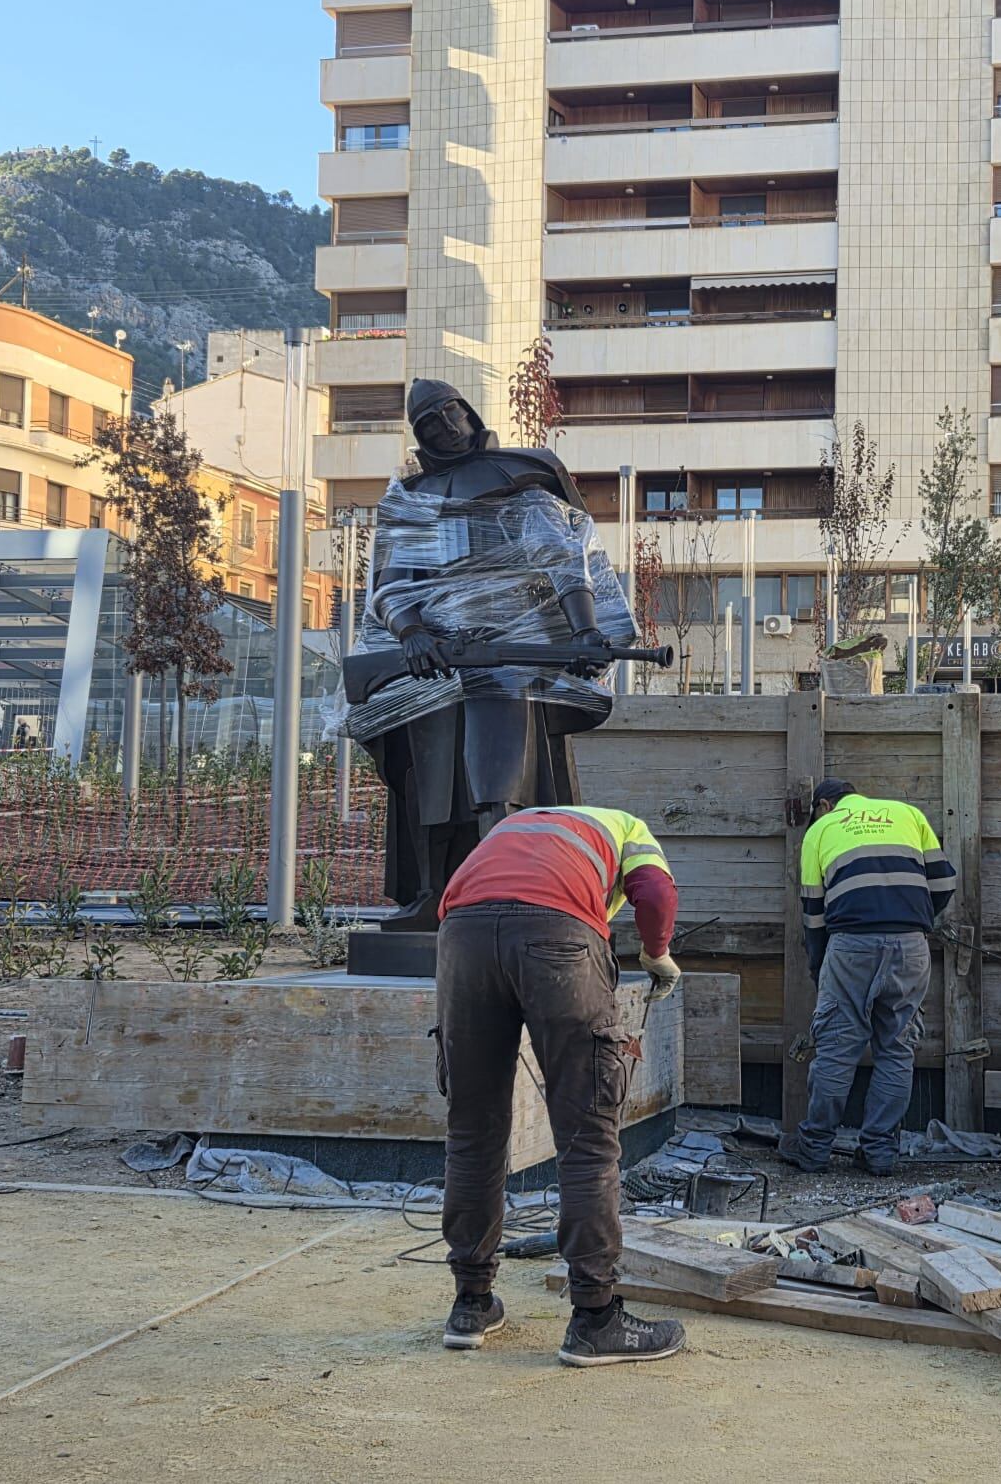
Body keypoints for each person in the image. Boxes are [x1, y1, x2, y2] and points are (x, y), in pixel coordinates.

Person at [357, 379, 632, 931]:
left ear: (468, 412)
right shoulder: (413, 501)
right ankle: (434, 893)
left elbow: (563, 561)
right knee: (429, 780)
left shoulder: (521, 480)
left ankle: (507, 886)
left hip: (507, 661)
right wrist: (411, 633)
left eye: (449, 413)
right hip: (435, 664)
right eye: (429, 423)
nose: (445, 428)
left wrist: (584, 630)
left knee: (501, 779)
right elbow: (390, 585)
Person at [432, 804, 687, 1365]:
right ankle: (595, 1318)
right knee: (587, 1136)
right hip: (559, 937)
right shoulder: (629, 828)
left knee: (472, 1132)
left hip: (463, 939)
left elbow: (463, 897)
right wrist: (657, 955)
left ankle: (471, 1303)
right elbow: (655, 894)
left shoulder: (517, 827)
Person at [781, 780, 956, 1176]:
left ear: (824, 806)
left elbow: (813, 913)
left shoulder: (820, 830)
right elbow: (945, 883)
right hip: (911, 946)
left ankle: (814, 1149)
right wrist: (913, 919)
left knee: (836, 1049)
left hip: (851, 945)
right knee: (896, 1048)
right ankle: (879, 1153)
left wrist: (819, 965)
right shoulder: (908, 814)